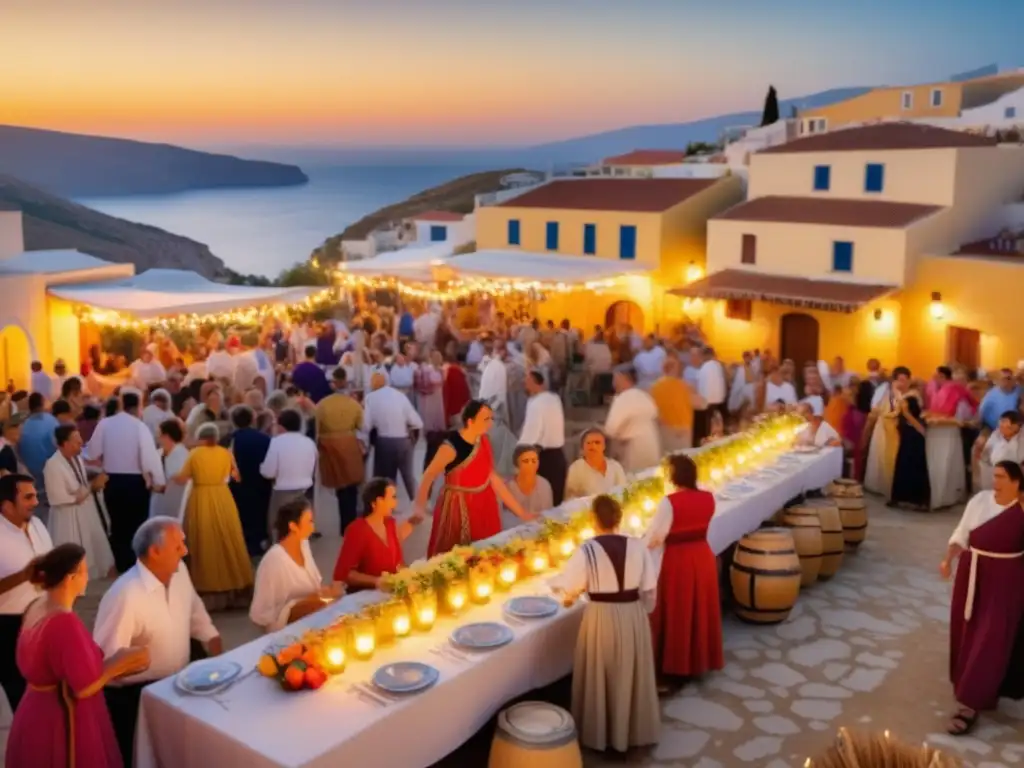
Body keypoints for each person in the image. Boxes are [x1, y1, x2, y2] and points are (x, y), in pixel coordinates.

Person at [6, 544, 149, 768]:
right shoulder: (64, 621)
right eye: (84, 571)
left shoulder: (35, 606)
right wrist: (118, 663)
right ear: (71, 578)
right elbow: (84, 686)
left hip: (33, 711)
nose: (87, 577)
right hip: (60, 717)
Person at [94, 517, 222, 766]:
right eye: (178, 546)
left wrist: (211, 637)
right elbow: (106, 659)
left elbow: (194, 609)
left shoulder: (180, 571)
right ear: (154, 551)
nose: (185, 551)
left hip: (179, 685)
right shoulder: (126, 595)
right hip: (138, 698)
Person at [549, 495, 660, 753]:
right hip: (632, 614)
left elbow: (570, 587)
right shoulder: (637, 546)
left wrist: (568, 597)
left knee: (602, 672)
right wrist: (640, 613)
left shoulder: (586, 550)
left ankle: (601, 734)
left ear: (593, 519)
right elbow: (650, 590)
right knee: (628, 673)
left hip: (601, 617)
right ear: (619, 519)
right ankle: (630, 732)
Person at [941, 460, 1024, 736]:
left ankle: (968, 704)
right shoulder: (979, 501)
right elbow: (962, 533)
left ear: (1016, 482)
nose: (995, 481)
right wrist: (948, 559)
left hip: (1006, 584)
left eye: (1001, 477)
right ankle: (971, 688)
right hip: (972, 576)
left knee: (991, 638)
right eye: (994, 475)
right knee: (968, 633)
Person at [643, 455, 723, 689]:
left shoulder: (670, 502)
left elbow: (655, 538)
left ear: (673, 476)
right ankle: (697, 661)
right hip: (701, 556)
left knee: (677, 611)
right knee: (697, 608)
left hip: (678, 561)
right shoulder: (709, 497)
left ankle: (674, 667)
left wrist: (638, 542)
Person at [418, 400, 534, 557]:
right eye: (486, 419)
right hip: (457, 507)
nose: (490, 424)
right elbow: (428, 475)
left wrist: (521, 512)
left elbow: (492, 478)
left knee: (486, 556)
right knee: (456, 559)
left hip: (484, 503)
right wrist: (419, 507)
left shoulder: (484, 441)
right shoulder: (451, 447)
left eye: (491, 419)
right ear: (470, 421)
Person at [172, 423, 253, 605]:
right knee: (229, 538)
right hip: (223, 497)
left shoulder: (195, 454)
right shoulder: (225, 453)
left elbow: (182, 478)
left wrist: (171, 477)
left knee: (204, 541)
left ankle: (207, 588)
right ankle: (236, 586)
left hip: (201, 498)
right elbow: (236, 477)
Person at [86, 390, 166, 573]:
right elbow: (149, 458)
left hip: (112, 482)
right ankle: (138, 563)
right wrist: (159, 481)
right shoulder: (139, 426)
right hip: (135, 483)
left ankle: (121, 564)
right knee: (137, 525)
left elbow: (92, 452)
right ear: (138, 406)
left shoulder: (105, 424)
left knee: (117, 524)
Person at [0, 473, 53, 712]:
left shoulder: (38, 525)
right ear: (7, 505)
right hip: (9, 626)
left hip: (43, 618)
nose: (35, 502)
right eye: (28, 497)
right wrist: (23, 576)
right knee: (21, 695)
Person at [250, 499, 342, 632]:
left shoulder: (304, 545)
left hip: (311, 615)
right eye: (309, 521)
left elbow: (315, 585)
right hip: (285, 626)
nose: (313, 527)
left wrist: (327, 592)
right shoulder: (274, 560)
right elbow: (262, 613)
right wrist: (315, 599)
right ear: (293, 526)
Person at [43, 425, 115, 579]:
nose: (81, 443)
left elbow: (80, 481)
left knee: (93, 546)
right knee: (70, 556)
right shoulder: (52, 465)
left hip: (85, 511)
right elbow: (58, 498)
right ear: (65, 443)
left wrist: (94, 480)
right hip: (67, 517)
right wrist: (92, 486)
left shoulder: (77, 459)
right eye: (76, 440)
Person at [333, 478, 419, 591]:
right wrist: (376, 581)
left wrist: (410, 576)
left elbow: (398, 563)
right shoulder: (357, 530)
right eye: (392, 497)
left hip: (389, 591)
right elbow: (346, 574)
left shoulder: (390, 524)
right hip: (364, 596)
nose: (396, 503)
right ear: (377, 501)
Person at [314, 368, 365, 537]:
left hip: (330, 447)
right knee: (351, 485)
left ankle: (346, 525)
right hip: (349, 445)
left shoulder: (322, 404)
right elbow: (361, 426)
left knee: (340, 486)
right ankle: (350, 523)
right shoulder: (354, 404)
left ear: (333, 382)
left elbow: (317, 429)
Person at [260, 408, 318, 544]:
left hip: (282, 493)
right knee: (302, 529)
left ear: (280, 426)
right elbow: (315, 467)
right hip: (305, 492)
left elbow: (268, 472)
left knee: (279, 529)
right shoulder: (309, 442)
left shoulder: (276, 442)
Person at [364, 372, 422, 501]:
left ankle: (387, 507)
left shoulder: (370, 398)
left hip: (384, 441)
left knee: (385, 478)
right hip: (404, 440)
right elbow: (417, 422)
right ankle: (417, 503)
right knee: (408, 476)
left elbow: (366, 425)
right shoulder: (400, 395)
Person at [228, 405, 273, 556]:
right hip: (260, 484)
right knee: (259, 514)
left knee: (241, 516)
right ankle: (258, 544)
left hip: (237, 486)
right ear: (253, 420)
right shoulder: (264, 439)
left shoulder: (229, 439)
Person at [518, 370, 567, 505]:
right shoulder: (554, 398)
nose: (525, 386)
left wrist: (520, 453)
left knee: (542, 503)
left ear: (535, 383)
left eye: (527, 383)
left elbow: (532, 432)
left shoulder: (536, 403)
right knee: (557, 499)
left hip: (544, 458)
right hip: (559, 456)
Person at [864, 366, 911, 499]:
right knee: (879, 454)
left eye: (905, 380)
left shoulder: (909, 393)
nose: (902, 383)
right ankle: (878, 486)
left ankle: (891, 487)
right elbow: (875, 409)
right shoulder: (883, 391)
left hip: (898, 428)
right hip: (883, 426)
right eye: (900, 380)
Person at [604, 366, 661, 474]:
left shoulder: (623, 398)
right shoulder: (644, 396)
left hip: (633, 449)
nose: (613, 383)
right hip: (651, 444)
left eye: (615, 379)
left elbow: (611, 429)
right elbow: (656, 416)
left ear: (623, 378)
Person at [890, 376, 929, 509]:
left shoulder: (910, 398)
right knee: (911, 464)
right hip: (910, 434)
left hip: (911, 434)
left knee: (908, 463)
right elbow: (905, 414)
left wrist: (921, 427)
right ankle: (913, 499)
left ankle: (907, 498)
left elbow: (910, 414)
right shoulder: (910, 397)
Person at [565, 428, 628, 499]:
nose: (593, 446)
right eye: (589, 443)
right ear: (583, 447)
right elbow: (570, 498)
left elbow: (623, 493)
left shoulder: (615, 467)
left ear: (604, 446)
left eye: (597, 443)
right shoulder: (576, 469)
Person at [650, 356, 695, 453]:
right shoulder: (685, 386)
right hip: (683, 430)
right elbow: (700, 403)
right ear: (675, 369)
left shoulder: (654, 387)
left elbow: (653, 411)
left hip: (664, 429)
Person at [149, 420, 189, 521]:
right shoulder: (158, 453)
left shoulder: (181, 453)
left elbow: (182, 478)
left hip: (176, 502)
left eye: (160, 434)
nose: (158, 438)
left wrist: (164, 487)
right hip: (159, 502)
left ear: (167, 436)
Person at [975, 411, 1024, 491]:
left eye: (1005, 422)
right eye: (1001, 422)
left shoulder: (1022, 437)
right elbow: (986, 455)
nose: (1001, 425)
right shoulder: (996, 435)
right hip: (996, 471)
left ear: (1016, 426)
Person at [506, 445, 554, 517]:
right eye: (526, 461)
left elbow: (548, 515)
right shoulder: (509, 487)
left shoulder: (544, 485)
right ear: (517, 463)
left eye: (534, 461)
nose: (530, 465)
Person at [842, 381, 873, 481]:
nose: (844, 397)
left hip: (854, 446)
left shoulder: (856, 413)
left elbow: (857, 430)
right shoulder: (852, 410)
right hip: (852, 445)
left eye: (847, 394)